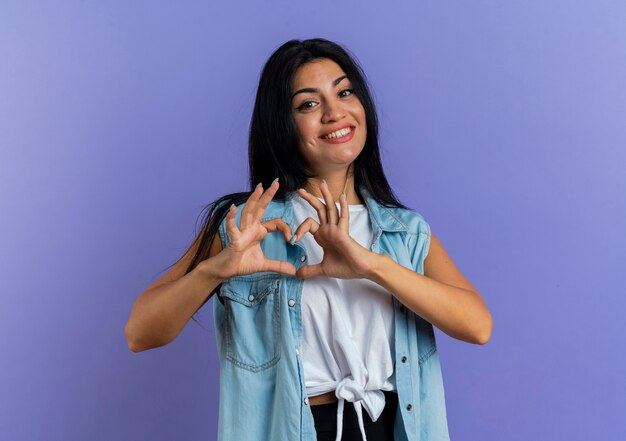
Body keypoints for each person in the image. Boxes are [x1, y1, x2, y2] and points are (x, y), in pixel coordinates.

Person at [125, 38, 493, 441]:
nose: (335, 113)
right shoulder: (247, 226)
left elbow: (477, 326)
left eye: (345, 92)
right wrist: (217, 269)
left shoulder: (403, 231)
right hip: (295, 428)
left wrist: (371, 266)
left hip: (393, 428)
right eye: (308, 104)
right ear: (282, 124)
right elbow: (140, 333)